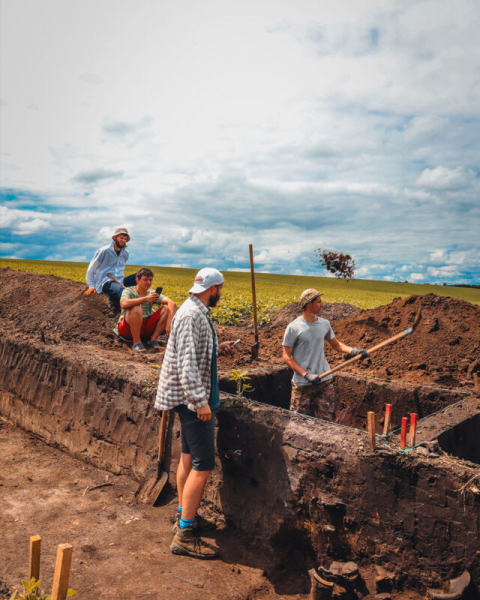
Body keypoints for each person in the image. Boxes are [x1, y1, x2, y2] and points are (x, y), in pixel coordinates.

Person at [154, 267, 236, 560]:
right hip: (192, 401)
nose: (221, 294)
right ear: (213, 288)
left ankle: (183, 516)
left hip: (187, 399)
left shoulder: (195, 310)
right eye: (220, 289)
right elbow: (187, 366)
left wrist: (218, 346)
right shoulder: (191, 315)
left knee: (188, 457)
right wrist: (200, 402)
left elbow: (196, 351)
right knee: (203, 466)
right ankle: (184, 535)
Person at [282, 288, 368, 419]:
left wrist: (354, 351)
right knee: (297, 421)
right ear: (308, 304)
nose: (322, 304)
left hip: (324, 380)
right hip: (302, 384)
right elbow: (286, 357)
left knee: (325, 421)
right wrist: (306, 374)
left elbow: (336, 345)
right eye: (319, 302)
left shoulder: (324, 324)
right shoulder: (293, 328)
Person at [118, 267, 176, 353]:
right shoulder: (128, 291)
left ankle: (153, 339)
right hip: (127, 329)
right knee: (136, 307)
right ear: (137, 280)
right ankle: (136, 342)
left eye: (150, 280)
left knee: (166, 308)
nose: (148, 282)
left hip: (145, 328)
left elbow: (172, 303)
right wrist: (146, 299)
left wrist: (169, 324)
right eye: (145, 280)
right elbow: (123, 304)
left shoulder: (151, 293)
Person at [84, 227, 137, 304]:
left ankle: (148, 297)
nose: (123, 240)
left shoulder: (125, 253)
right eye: (121, 238)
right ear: (115, 237)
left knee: (141, 275)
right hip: (106, 282)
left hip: (120, 281)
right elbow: (91, 269)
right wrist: (91, 286)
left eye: (125, 239)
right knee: (124, 293)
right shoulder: (104, 251)